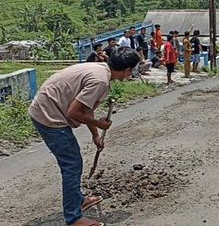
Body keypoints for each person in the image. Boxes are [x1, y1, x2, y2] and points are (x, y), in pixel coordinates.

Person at [28, 47, 141, 226]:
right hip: (48, 115)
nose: (131, 74)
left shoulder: (100, 70)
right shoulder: (100, 81)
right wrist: (99, 124)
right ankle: (74, 218)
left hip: (48, 107)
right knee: (72, 164)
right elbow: (74, 112)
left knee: (72, 162)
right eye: (132, 70)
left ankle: (78, 200)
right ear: (127, 70)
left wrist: (95, 135)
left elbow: (86, 109)